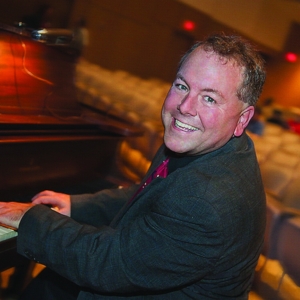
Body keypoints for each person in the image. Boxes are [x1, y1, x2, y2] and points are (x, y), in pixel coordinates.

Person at [0, 33, 266, 299]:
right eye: (182, 86)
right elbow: (150, 193)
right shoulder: (210, 143)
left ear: (243, 119)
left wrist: (29, 219)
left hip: (119, 273)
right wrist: (78, 205)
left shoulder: (206, 200)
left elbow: (108, 264)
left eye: (209, 98)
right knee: (50, 281)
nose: (184, 107)